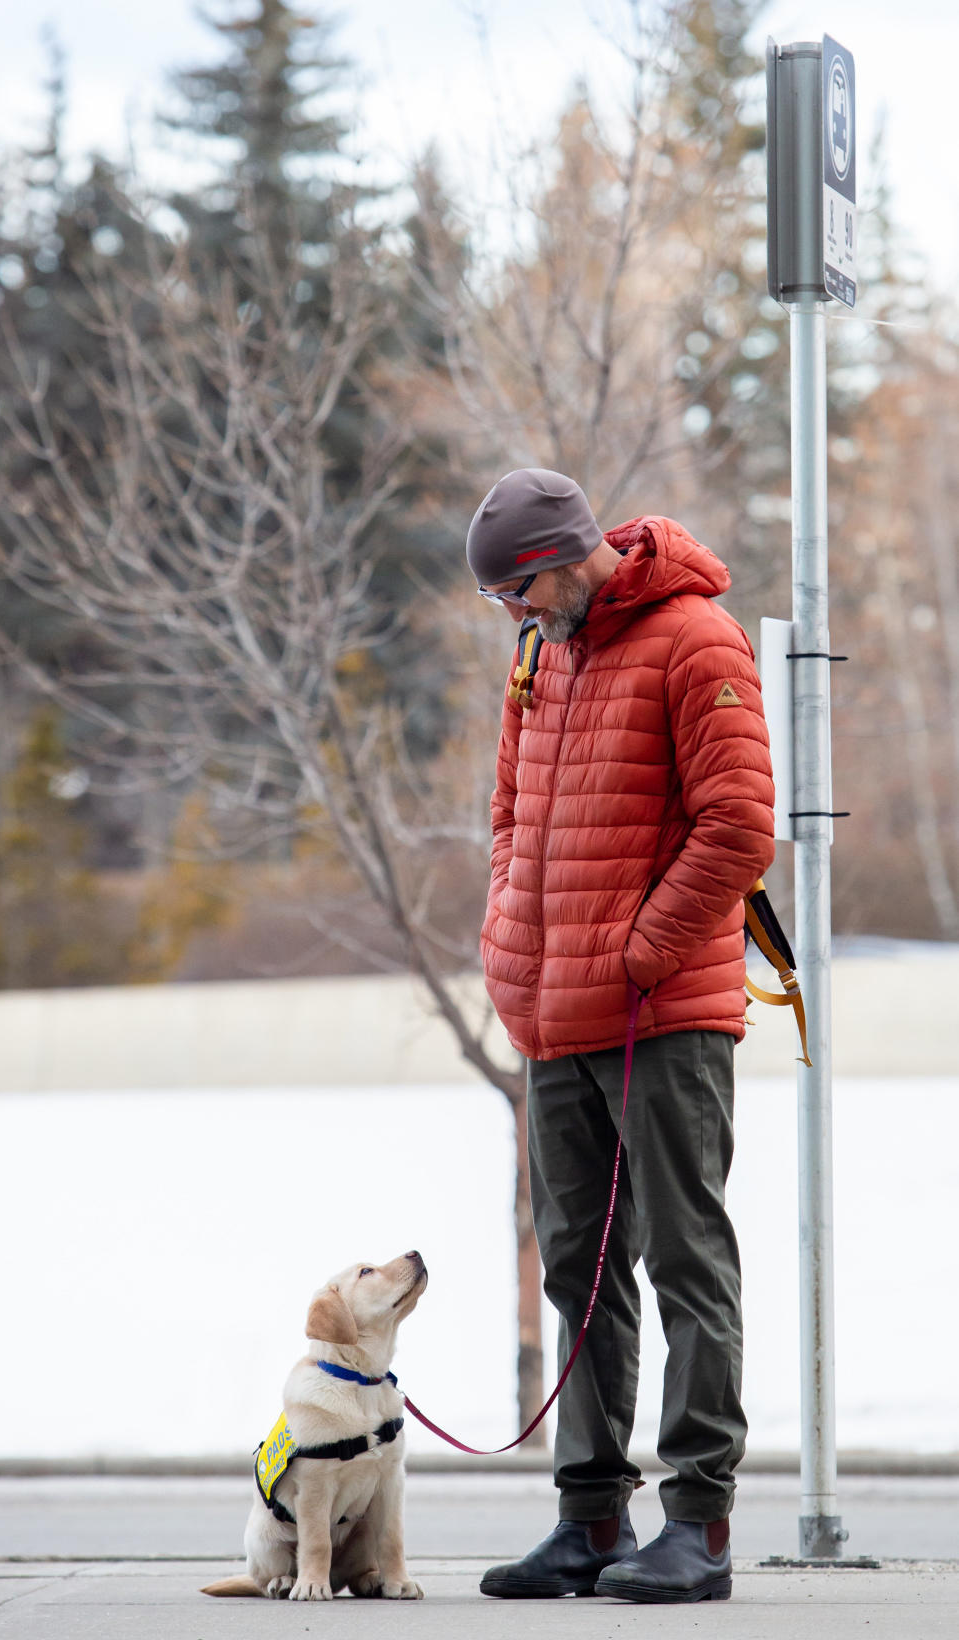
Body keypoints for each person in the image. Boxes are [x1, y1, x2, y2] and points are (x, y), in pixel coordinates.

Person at [467, 468, 775, 1605]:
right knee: (575, 1263)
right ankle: (590, 1515)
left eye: (518, 588)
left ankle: (698, 1524)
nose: (513, 611)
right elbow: (509, 812)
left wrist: (640, 951)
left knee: (683, 1254)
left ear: (567, 555)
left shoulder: (696, 638)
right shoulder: (539, 651)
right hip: (553, 1009)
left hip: (662, 1010)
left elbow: (741, 824)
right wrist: (510, 934)